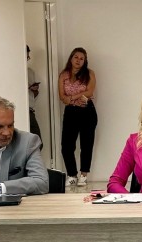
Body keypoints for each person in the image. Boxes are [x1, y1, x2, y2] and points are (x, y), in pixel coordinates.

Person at [0, 95, 48, 197]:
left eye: (10, 125)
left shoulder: (27, 142)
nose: (7, 133)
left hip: (16, 206)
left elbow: (41, 182)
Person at [59, 47, 97, 187]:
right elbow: (62, 96)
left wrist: (72, 97)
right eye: (76, 57)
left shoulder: (89, 73)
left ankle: (84, 175)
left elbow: (90, 92)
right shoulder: (64, 75)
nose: (78, 60)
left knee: (86, 144)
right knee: (66, 146)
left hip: (87, 111)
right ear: (71, 58)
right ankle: (72, 174)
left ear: (85, 61)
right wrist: (73, 98)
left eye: (82, 58)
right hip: (71, 112)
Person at [26, 45, 41, 145]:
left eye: (28, 57)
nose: (28, 59)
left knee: (38, 144)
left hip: (30, 111)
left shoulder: (30, 72)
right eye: (26, 56)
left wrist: (35, 90)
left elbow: (34, 95)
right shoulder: (12, 72)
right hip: (18, 111)